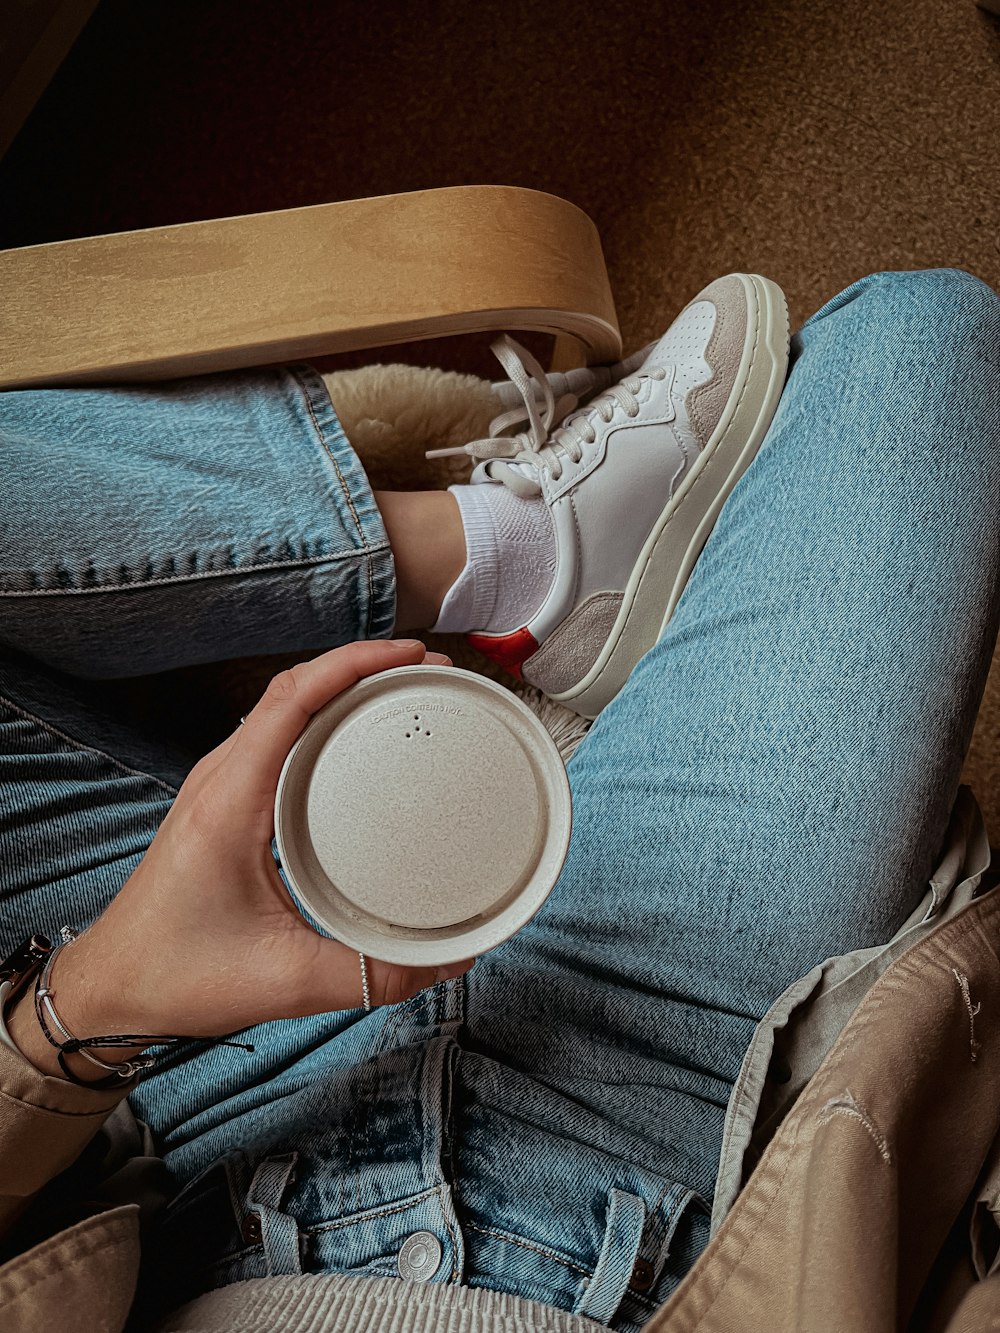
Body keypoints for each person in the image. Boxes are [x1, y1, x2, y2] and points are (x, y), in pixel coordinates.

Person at [1, 268, 999, 1333]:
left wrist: (87, 1007)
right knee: (922, 341)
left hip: (200, 1083)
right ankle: (552, 574)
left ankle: (503, 558)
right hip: (665, 1116)